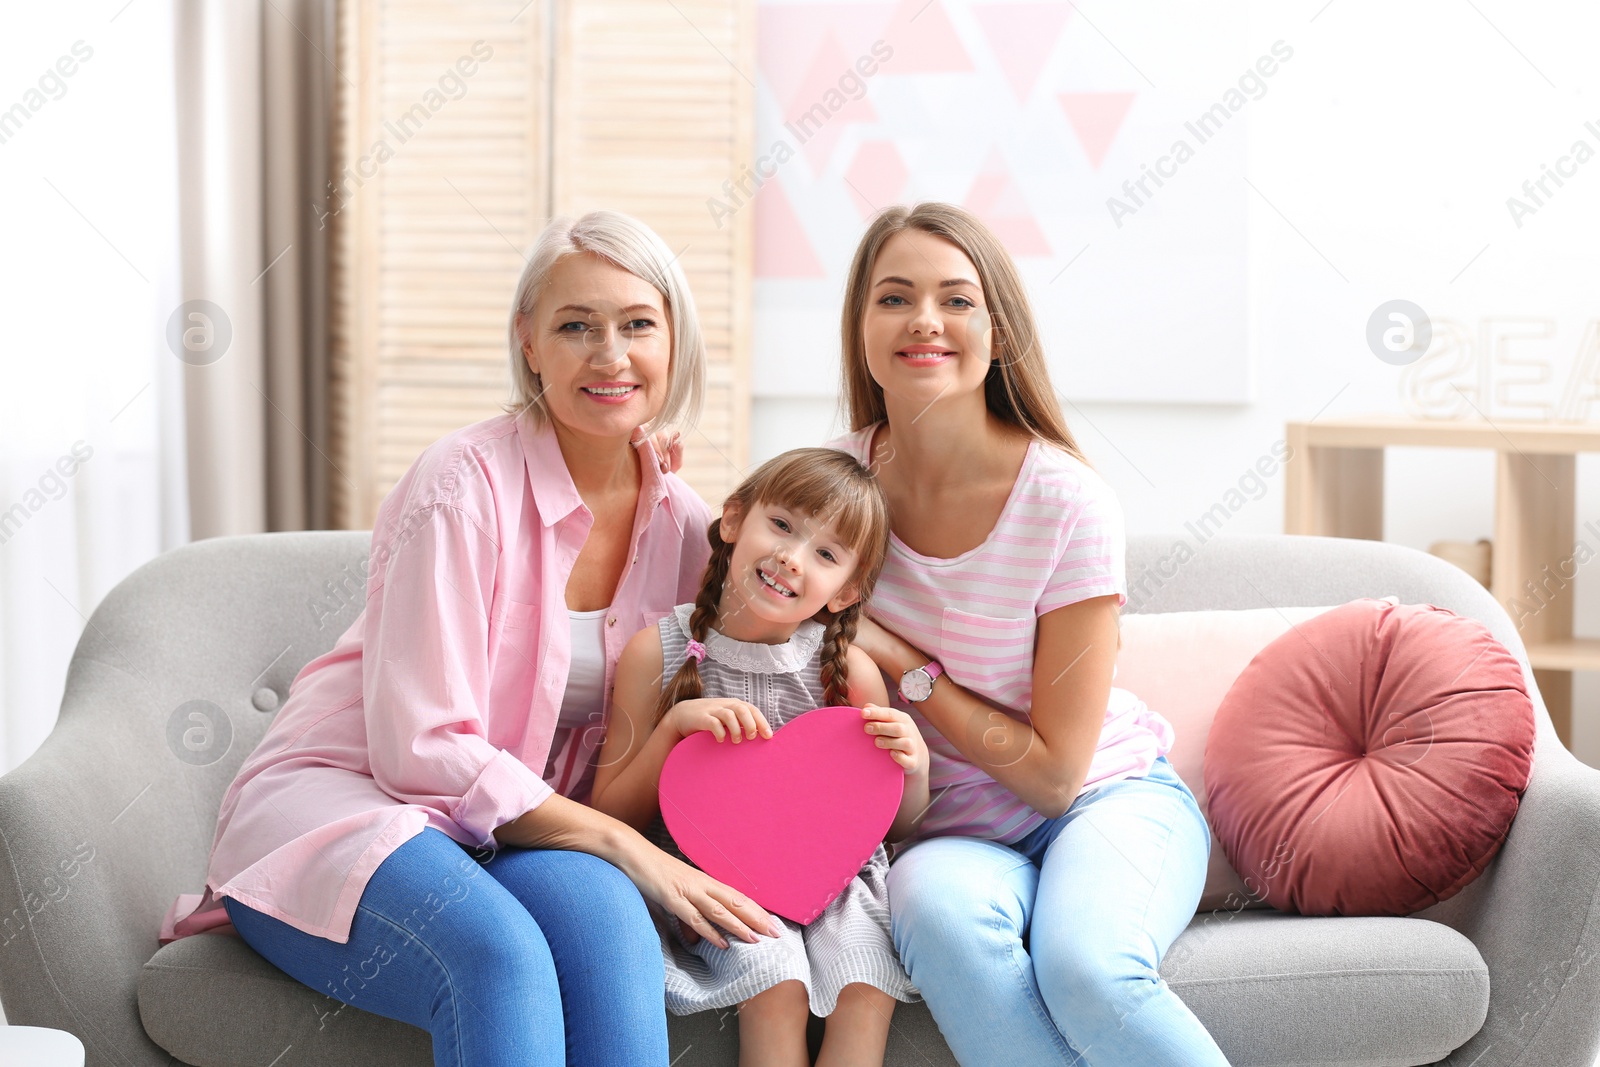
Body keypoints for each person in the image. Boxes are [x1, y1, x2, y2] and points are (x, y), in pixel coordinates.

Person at [156, 209, 784, 1067]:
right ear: (529, 342)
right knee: (500, 956)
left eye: (638, 323)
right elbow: (420, 749)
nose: (610, 354)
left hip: (511, 832)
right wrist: (619, 839)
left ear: (674, 340)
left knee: (609, 929)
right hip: (352, 807)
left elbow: (796, 619)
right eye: (575, 325)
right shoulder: (460, 485)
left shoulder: (683, 527)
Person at [824, 202, 1232, 1066]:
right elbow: (738, 596)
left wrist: (907, 666)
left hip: (1103, 799)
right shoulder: (834, 488)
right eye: (894, 297)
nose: (925, 320)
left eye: (957, 300)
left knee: (1087, 967)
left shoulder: (1066, 502)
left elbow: (1054, 777)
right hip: (954, 835)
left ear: (998, 331)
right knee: (925, 908)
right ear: (861, 325)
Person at [591, 447, 927, 1067]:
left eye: (825, 554)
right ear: (734, 520)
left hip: (833, 883)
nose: (791, 557)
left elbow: (895, 824)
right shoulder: (656, 653)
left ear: (846, 590)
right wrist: (670, 732)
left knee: (863, 978)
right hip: (710, 878)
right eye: (782, 525)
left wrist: (916, 766)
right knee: (775, 981)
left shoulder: (849, 673)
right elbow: (609, 813)